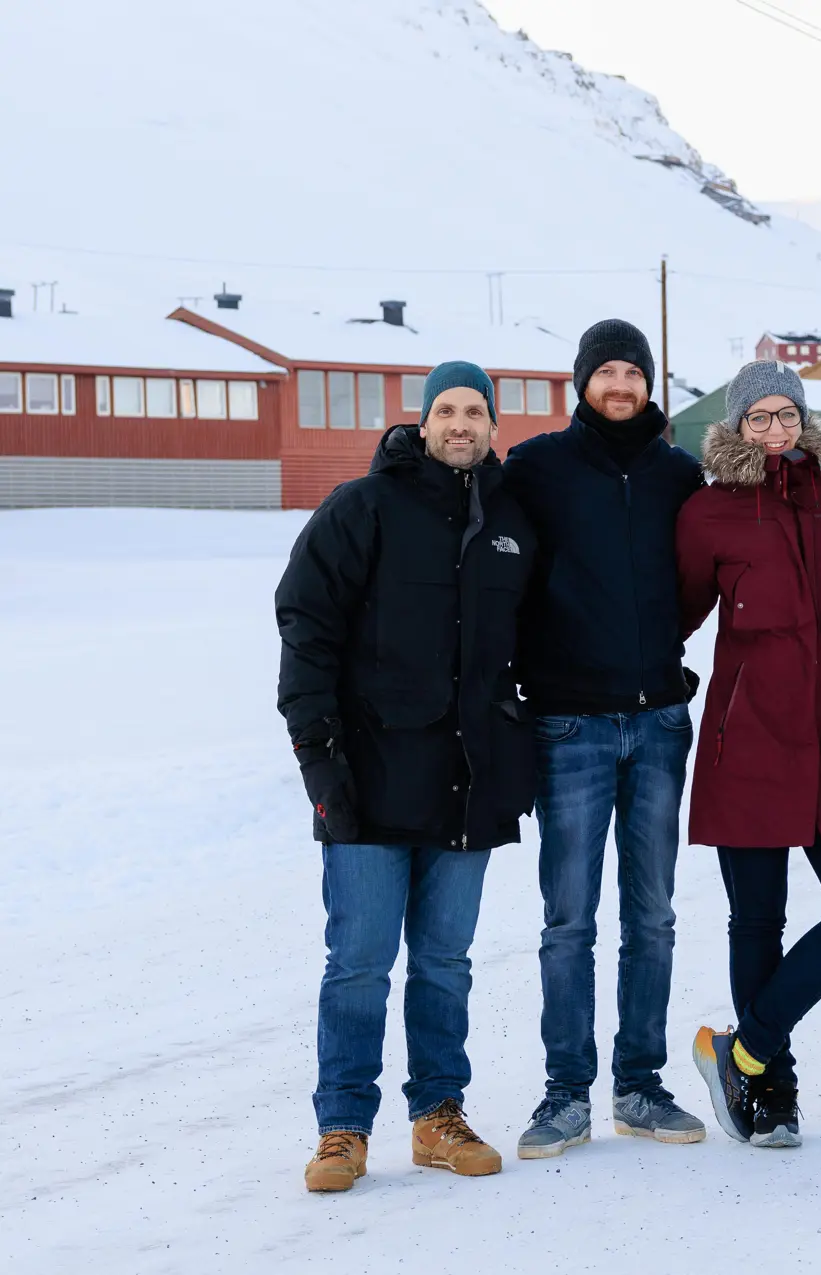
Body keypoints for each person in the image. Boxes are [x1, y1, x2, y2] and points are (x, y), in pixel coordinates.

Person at [277, 361, 538, 1191]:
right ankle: (343, 1128)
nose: (461, 423)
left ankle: (437, 1116)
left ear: (494, 426)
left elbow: (535, 644)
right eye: (447, 409)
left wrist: (517, 748)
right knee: (357, 960)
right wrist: (320, 761)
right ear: (423, 421)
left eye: (476, 410)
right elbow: (305, 628)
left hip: (469, 780)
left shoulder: (512, 523)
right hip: (368, 779)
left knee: (445, 962)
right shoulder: (363, 508)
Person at [679, 362, 821, 1149]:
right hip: (751, 740)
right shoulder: (710, 511)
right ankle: (772, 1094)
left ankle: (743, 1050)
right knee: (758, 921)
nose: (775, 431)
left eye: (786, 416)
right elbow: (669, 612)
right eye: (758, 419)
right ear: (736, 427)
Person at [502, 320, 708, 1158]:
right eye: (607, 371)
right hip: (570, 722)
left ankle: (640, 1084)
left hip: (658, 718)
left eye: (633, 371)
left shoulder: (678, 474)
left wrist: (659, 646)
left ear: (650, 383)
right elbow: (501, 569)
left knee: (653, 915)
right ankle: (564, 1092)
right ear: (580, 381)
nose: (621, 384)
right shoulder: (537, 467)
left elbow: (696, 581)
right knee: (568, 918)